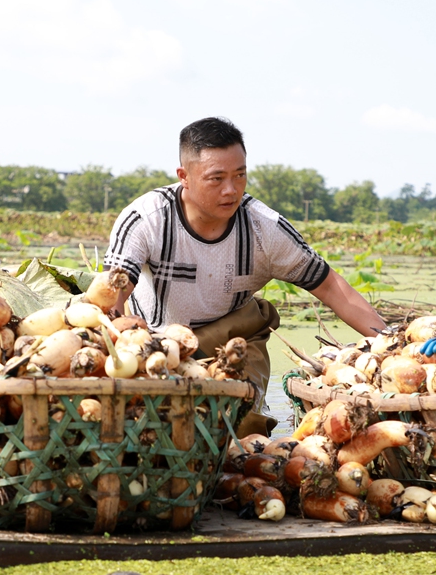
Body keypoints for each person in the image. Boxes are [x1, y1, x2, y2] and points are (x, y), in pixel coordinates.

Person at [104, 116, 386, 436]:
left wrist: (389, 344)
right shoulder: (147, 219)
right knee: (157, 431)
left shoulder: (264, 229)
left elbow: (331, 285)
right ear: (184, 176)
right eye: (216, 178)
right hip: (157, 346)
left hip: (236, 340)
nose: (231, 190)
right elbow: (114, 293)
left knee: (240, 425)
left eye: (240, 175)